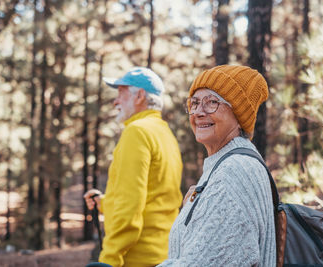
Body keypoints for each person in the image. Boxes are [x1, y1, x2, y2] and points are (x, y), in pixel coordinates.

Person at [158, 65, 276, 266]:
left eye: (212, 102)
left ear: (239, 117)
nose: (198, 112)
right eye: (194, 103)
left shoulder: (235, 171)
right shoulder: (222, 165)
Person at [84, 67, 183, 267]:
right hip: (165, 255)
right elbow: (153, 196)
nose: (115, 101)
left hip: (137, 259)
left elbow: (129, 206)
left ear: (139, 96)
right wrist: (104, 203)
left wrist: (109, 259)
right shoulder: (165, 134)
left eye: (121, 93)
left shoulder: (136, 132)